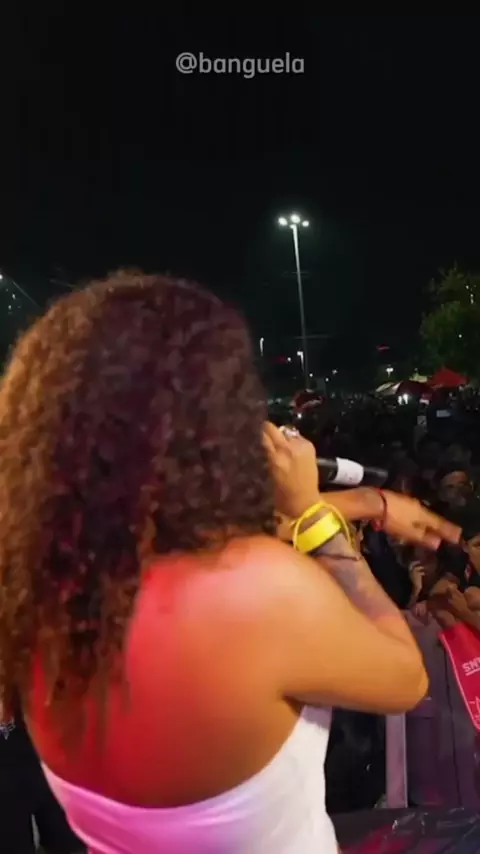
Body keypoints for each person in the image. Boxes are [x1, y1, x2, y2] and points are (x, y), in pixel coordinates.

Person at [0, 272, 460, 854]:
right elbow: (404, 676)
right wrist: (317, 522)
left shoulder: (38, 584)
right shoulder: (257, 593)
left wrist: (367, 503)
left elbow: (185, 548)